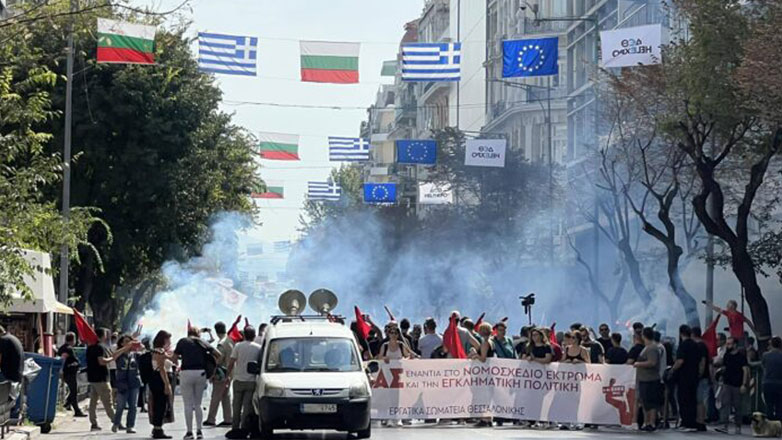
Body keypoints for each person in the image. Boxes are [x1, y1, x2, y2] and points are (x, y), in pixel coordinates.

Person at [173, 326, 220, 440]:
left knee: (188, 404)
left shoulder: (183, 341)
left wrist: (177, 366)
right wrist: (213, 367)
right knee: (198, 404)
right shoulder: (202, 342)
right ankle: (199, 431)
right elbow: (218, 354)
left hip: (186, 372)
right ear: (198, 334)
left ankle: (189, 432)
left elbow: (174, 358)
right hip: (201, 373)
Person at [87, 327, 134, 431]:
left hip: (93, 378)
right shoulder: (99, 348)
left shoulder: (90, 347)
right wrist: (111, 359)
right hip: (101, 378)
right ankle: (116, 422)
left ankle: (93, 423)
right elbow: (101, 361)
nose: (107, 336)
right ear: (102, 336)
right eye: (105, 334)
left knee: (93, 402)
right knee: (108, 403)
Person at [226, 326, 262, 438]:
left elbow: (231, 362)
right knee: (247, 406)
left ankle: (234, 428)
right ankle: (244, 428)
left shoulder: (238, 346)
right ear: (254, 335)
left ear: (244, 335)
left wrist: (227, 376)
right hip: (251, 381)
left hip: (238, 380)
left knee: (236, 405)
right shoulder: (258, 348)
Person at [671, 324, 702, 432]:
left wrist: (672, 370)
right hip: (694, 376)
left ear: (681, 333)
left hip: (684, 377)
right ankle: (692, 422)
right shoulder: (696, 345)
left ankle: (686, 422)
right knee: (692, 400)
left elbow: (680, 361)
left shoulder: (683, 345)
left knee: (683, 400)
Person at [715, 337, 749, 434]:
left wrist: (744, 384)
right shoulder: (726, 355)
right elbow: (724, 367)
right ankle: (724, 425)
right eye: (727, 344)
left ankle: (738, 426)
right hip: (727, 383)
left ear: (735, 345)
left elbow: (745, 370)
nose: (728, 346)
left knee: (737, 406)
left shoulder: (741, 356)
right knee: (725, 404)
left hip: (737, 384)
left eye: (730, 344)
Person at [633, 328, 662, 432]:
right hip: (644, 379)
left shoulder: (652, 348)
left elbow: (652, 362)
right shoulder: (647, 347)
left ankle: (651, 422)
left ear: (644, 336)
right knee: (645, 403)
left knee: (651, 403)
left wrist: (638, 364)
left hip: (650, 379)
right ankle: (646, 422)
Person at [112, 334, 142, 434]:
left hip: (134, 382)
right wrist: (125, 348)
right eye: (125, 341)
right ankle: (116, 423)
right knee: (120, 405)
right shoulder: (120, 354)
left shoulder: (134, 354)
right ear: (121, 343)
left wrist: (137, 345)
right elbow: (114, 356)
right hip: (122, 383)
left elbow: (143, 351)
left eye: (129, 341)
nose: (128, 343)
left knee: (133, 406)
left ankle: (130, 426)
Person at [205, 322, 233, 427]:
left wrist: (212, 374)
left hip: (221, 373)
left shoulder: (221, 343)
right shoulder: (230, 340)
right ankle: (228, 419)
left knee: (215, 396)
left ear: (216, 331)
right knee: (226, 396)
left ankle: (211, 419)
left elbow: (219, 359)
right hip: (229, 373)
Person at [150, 331, 174, 439]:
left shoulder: (159, 351)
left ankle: (157, 427)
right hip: (160, 379)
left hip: (158, 378)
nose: (170, 342)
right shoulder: (159, 352)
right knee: (161, 403)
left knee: (161, 403)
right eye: (168, 339)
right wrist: (167, 384)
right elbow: (161, 368)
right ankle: (158, 428)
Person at [57, 332, 86, 417]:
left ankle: (67, 404)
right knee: (74, 391)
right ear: (73, 339)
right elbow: (63, 359)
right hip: (69, 373)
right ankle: (77, 410)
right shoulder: (67, 349)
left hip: (69, 372)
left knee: (74, 390)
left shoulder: (64, 348)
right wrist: (61, 371)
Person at [692, 327, 712, 430]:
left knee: (700, 400)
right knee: (700, 400)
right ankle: (700, 419)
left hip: (702, 377)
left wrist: (700, 373)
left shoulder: (700, 346)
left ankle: (700, 420)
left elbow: (703, 360)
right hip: (704, 376)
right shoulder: (703, 345)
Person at [762, 336, 782, 421]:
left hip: (768, 382)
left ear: (771, 344)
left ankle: (769, 424)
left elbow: (763, 366)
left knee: (769, 405)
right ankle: (779, 425)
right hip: (780, 383)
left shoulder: (766, 355)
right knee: (779, 405)